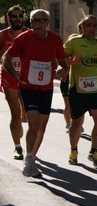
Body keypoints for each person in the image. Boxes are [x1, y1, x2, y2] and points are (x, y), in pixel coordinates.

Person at [2, 9, 68, 177]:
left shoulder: (55, 39)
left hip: (46, 88)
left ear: (47, 23)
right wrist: (15, 74)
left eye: (42, 20)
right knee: (34, 123)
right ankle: (29, 160)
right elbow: (6, 58)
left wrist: (62, 69)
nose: (38, 23)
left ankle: (32, 156)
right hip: (27, 86)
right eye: (35, 20)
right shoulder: (23, 39)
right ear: (30, 22)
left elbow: (62, 61)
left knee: (41, 127)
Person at [64, 14, 97, 168]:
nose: (92, 28)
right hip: (78, 90)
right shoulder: (74, 42)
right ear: (82, 27)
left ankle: (94, 151)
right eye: (88, 25)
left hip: (96, 90)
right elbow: (61, 58)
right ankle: (73, 151)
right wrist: (70, 62)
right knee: (77, 123)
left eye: (95, 25)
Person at [0, 5, 28, 160]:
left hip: (25, 77)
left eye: (20, 16)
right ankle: (17, 147)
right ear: (9, 18)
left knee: (26, 116)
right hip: (8, 77)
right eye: (14, 16)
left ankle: (20, 125)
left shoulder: (28, 34)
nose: (17, 18)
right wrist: (5, 54)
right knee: (15, 113)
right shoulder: (2, 35)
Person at [60, 21, 84, 133]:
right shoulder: (65, 56)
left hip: (77, 81)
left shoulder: (80, 55)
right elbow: (60, 67)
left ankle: (77, 123)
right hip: (66, 81)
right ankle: (68, 123)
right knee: (68, 105)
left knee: (78, 105)